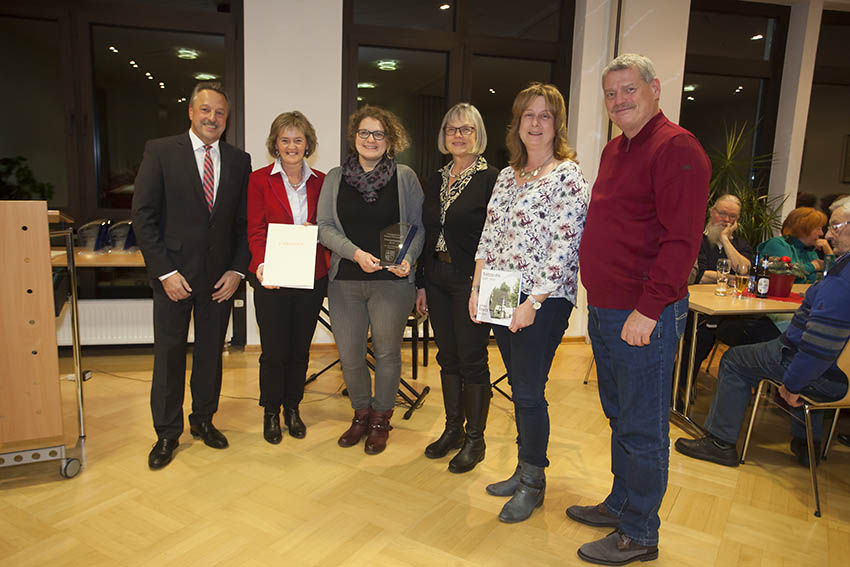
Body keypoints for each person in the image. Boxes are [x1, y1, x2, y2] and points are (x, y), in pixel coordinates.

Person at [574, 54, 710, 565]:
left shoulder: (677, 148)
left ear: (654, 88)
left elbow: (681, 241)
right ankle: (621, 502)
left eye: (628, 89)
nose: (619, 101)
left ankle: (640, 534)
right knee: (618, 415)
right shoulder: (616, 149)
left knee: (644, 424)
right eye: (611, 94)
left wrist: (649, 310)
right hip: (608, 309)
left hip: (643, 314)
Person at [472, 83, 588, 523]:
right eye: (528, 116)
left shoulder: (568, 177)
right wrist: (476, 287)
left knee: (528, 390)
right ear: (516, 124)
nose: (535, 124)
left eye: (545, 116)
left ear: (556, 125)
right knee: (519, 386)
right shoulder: (506, 175)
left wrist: (534, 301)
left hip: (543, 299)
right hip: (501, 291)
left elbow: (565, 245)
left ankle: (534, 481)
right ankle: (523, 469)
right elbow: (489, 236)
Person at [675, 200, 850, 468]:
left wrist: (792, 385)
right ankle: (807, 442)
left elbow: (817, 349)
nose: (827, 235)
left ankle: (720, 442)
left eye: (835, 227)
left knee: (734, 360)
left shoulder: (842, 281)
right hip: (841, 374)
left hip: (825, 373)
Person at [132, 81, 252, 470]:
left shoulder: (239, 160)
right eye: (205, 110)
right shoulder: (161, 151)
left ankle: (203, 420)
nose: (212, 118)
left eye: (219, 112)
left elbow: (242, 224)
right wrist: (165, 271)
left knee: (210, 356)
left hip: (219, 281)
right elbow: (144, 217)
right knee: (168, 357)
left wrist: (237, 270)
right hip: (173, 279)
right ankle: (167, 433)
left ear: (226, 117)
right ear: (190, 112)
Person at [317, 105, 424, 455]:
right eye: (364, 132)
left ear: (389, 139)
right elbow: (325, 228)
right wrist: (355, 254)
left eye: (379, 133)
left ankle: (381, 419)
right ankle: (360, 413)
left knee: (388, 353)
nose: (371, 139)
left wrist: (407, 258)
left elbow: (418, 228)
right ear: (354, 137)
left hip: (391, 283)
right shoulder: (335, 177)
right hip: (345, 281)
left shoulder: (404, 176)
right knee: (349, 354)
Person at [415, 103, 499, 473]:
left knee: (472, 360)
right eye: (452, 129)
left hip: (473, 282)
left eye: (466, 129)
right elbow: (427, 232)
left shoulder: (493, 179)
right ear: (443, 136)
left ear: (478, 135)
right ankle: (452, 429)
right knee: (447, 357)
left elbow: (498, 238)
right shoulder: (436, 178)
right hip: (437, 278)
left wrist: (485, 287)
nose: (458, 135)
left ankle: (475, 439)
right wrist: (421, 283)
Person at [247, 111, 328, 444]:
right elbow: (254, 230)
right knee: (273, 351)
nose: (292, 146)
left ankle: (293, 408)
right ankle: (270, 412)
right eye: (285, 140)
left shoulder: (323, 181)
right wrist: (262, 265)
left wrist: (319, 231)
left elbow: (333, 228)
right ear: (275, 144)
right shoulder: (258, 180)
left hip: (311, 277)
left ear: (307, 143)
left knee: (299, 350)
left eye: (298, 139)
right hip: (273, 278)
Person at [679, 195, 778, 387]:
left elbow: (745, 269)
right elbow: (698, 275)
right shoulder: (697, 239)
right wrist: (731, 277)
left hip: (733, 313)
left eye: (732, 216)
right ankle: (681, 387)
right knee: (703, 334)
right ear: (711, 212)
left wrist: (725, 240)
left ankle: (746, 385)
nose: (726, 220)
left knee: (762, 332)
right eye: (722, 213)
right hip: (699, 309)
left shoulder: (740, 244)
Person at [757, 206, 833, 283]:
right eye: (818, 229)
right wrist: (813, 266)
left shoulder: (810, 250)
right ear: (804, 228)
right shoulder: (778, 244)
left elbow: (831, 278)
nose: (821, 233)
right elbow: (786, 273)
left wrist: (829, 252)